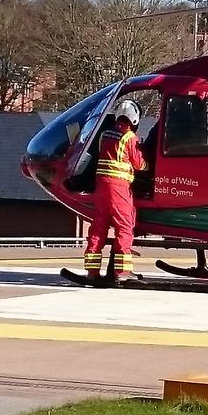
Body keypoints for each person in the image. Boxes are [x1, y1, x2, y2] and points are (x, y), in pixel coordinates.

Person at [84, 100, 147, 281]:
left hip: (101, 186)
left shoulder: (104, 134)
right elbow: (138, 163)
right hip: (118, 188)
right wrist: (146, 163)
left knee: (99, 226)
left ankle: (91, 271)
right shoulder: (129, 138)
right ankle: (122, 272)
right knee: (125, 228)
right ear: (134, 119)